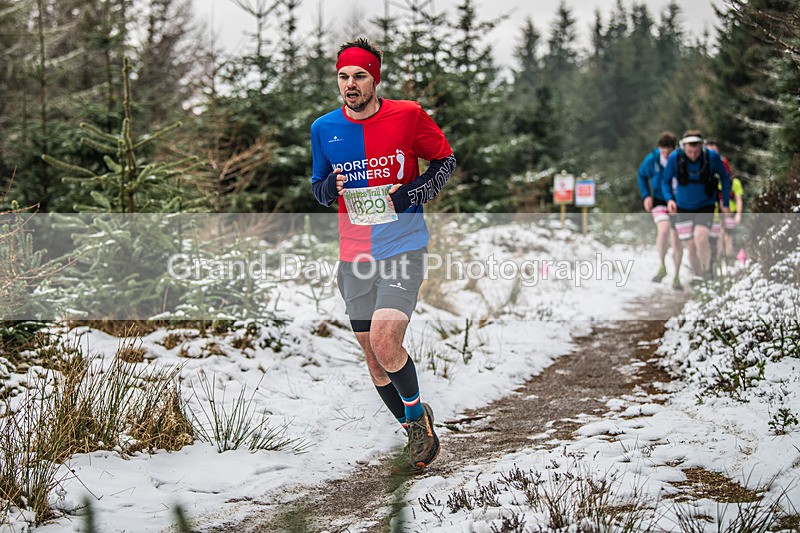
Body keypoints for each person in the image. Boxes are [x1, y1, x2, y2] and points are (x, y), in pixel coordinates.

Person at [310, 38, 456, 472]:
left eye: (359, 76)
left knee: (385, 341)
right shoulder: (324, 128)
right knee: (373, 360)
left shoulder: (407, 115)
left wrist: (412, 190)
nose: (350, 84)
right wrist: (327, 189)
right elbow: (319, 185)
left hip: (402, 245)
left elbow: (444, 161)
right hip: (353, 253)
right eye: (343, 76)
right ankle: (416, 425)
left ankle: (415, 420)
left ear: (375, 78)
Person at [661, 130, 731, 285]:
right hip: (683, 206)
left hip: (705, 204)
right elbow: (665, 181)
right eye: (689, 151)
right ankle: (698, 274)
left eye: (696, 151)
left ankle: (707, 273)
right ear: (683, 147)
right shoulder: (676, 158)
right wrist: (669, 200)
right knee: (690, 245)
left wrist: (725, 202)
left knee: (700, 238)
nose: (693, 154)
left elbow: (725, 178)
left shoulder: (712, 157)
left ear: (701, 147)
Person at [637, 131, 684, 290]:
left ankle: (676, 275)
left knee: (676, 238)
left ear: (674, 149)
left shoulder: (681, 159)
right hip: (659, 200)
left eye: (668, 152)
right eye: (663, 152)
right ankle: (662, 265)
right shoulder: (652, 160)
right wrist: (646, 196)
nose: (665, 155)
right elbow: (641, 175)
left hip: (678, 201)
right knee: (663, 230)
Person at [705, 140, 744, 262]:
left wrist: (738, 213)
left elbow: (738, 199)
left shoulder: (734, 182)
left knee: (728, 235)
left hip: (729, 212)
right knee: (716, 237)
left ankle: (729, 259)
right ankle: (716, 260)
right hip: (713, 212)